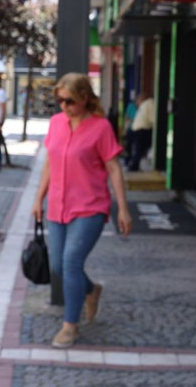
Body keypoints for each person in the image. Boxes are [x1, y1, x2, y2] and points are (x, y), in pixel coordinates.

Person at [30, 72, 132, 349]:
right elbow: (50, 164)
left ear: (85, 98)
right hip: (58, 206)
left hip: (90, 207)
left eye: (70, 101)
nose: (64, 106)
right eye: (59, 101)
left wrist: (122, 208)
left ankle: (70, 326)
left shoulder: (101, 128)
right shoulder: (56, 124)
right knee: (58, 266)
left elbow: (113, 168)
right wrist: (38, 199)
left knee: (71, 262)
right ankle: (91, 290)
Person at [128, 92, 154, 171]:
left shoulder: (145, 104)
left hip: (136, 129)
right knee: (139, 149)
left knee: (138, 149)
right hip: (142, 130)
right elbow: (153, 119)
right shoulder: (150, 104)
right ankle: (133, 167)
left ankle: (133, 165)